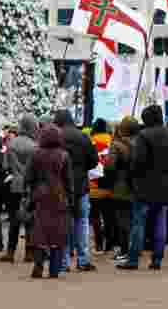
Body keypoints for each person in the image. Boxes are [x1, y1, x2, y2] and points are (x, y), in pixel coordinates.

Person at [119, 105, 168, 271]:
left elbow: (137, 161)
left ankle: (133, 259)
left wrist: (131, 177)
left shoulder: (143, 136)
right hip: (163, 184)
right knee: (160, 221)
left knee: (139, 222)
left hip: (143, 185)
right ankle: (157, 259)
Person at [53, 110, 98, 273]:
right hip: (81, 186)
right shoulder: (83, 137)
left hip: (61, 187)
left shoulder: (56, 137)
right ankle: (83, 259)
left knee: (63, 223)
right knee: (82, 222)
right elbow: (94, 160)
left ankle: (64, 262)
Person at [26, 124, 72, 279]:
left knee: (40, 232)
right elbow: (68, 181)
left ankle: (38, 265)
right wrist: (70, 199)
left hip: (40, 195)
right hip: (59, 196)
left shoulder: (36, 154)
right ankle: (54, 270)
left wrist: (33, 191)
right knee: (58, 234)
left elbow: (28, 177)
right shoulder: (64, 155)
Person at [2, 114, 37, 263]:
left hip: (14, 185)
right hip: (30, 186)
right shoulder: (35, 146)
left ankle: (10, 252)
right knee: (30, 219)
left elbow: (5, 166)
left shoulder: (11, 144)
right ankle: (29, 252)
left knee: (14, 220)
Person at [104, 118, 134, 264]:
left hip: (121, 187)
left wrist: (110, 180)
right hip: (138, 187)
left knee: (122, 221)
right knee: (136, 220)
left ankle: (124, 250)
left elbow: (109, 166)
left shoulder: (116, 145)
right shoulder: (140, 143)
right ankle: (134, 249)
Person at [88, 118, 114, 256]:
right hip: (108, 183)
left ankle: (98, 244)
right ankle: (109, 244)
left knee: (95, 216)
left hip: (93, 183)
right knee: (108, 215)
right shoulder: (112, 141)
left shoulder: (90, 142)